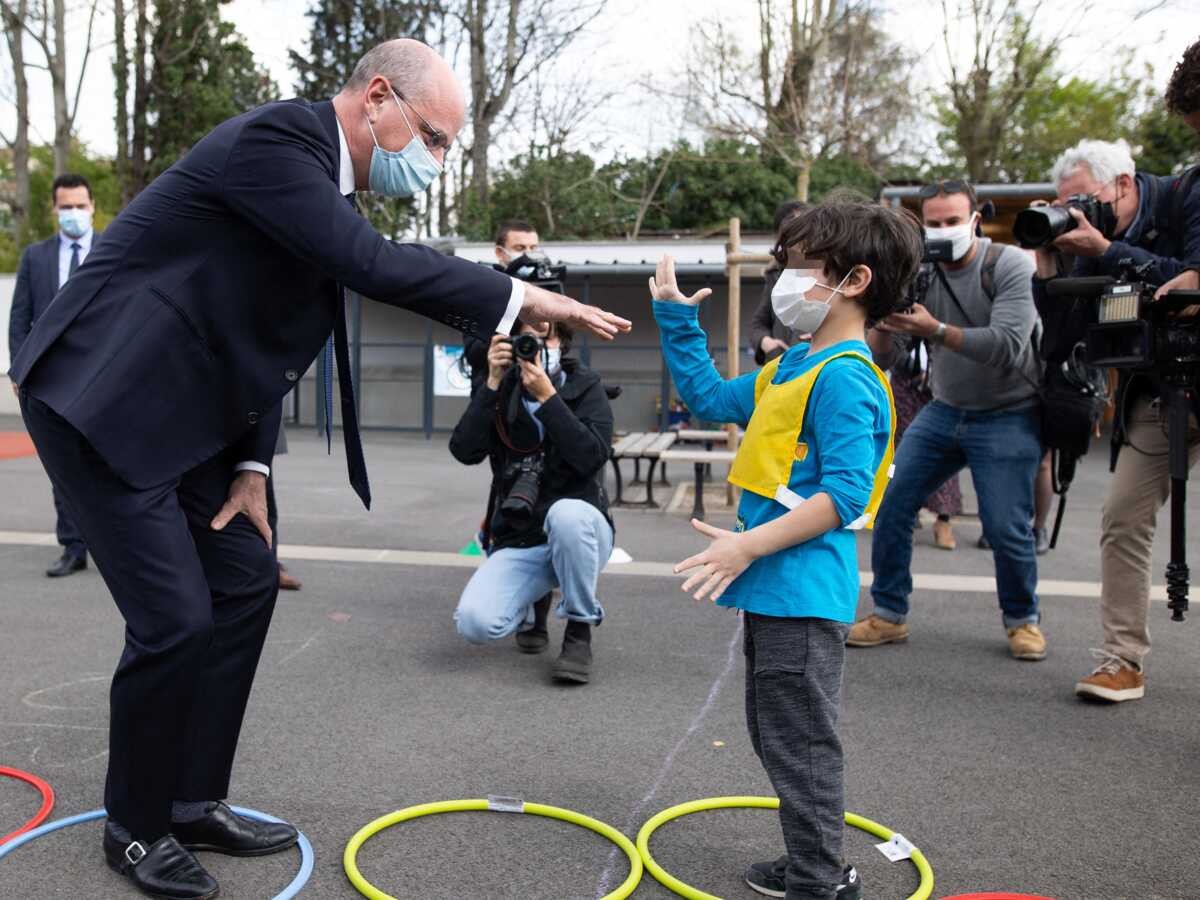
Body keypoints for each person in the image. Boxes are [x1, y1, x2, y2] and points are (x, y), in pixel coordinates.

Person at [9, 38, 629, 900]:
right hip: (100, 404)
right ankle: (137, 826)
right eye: (436, 138)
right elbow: (371, 267)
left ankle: (192, 800)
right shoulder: (277, 145)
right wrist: (519, 294)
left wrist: (253, 467)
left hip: (185, 421)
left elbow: (262, 343)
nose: (438, 162)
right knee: (175, 620)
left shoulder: (317, 193)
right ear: (378, 97)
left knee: (246, 580)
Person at [651, 198, 923, 900]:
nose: (786, 280)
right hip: (777, 590)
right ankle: (815, 862)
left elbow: (847, 495)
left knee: (800, 745)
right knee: (780, 737)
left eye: (801, 267)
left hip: (800, 592)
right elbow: (710, 398)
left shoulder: (847, 377)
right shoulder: (794, 365)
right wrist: (677, 319)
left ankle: (820, 881)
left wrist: (745, 546)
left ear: (853, 280)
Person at [1030, 133, 1200, 702]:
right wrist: (1049, 269)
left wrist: (1108, 251)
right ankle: (1120, 660)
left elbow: (1192, 276)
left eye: (1080, 202)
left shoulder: (1185, 197)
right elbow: (1057, 345)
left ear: (1123, 184)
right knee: (1122, 516)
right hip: (1159, 393)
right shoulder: (1087, 241)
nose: (1071, 217)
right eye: (1062, 207)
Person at [853, 179, 1047, 661]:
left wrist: (934, 329)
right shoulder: (922, 272)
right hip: (945, 409)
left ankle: (1023, 620)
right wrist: (879, 319)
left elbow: (1008, 345)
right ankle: (889, 614)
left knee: (1006, 527)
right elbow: (885, 355)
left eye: (952, 222)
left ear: (975, 220)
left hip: (1008, 412)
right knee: (893, 505)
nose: (942, 232)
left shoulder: (1008, 265)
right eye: (933, 224)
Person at [450, 319, 614, 683]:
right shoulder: (501, 389)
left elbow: (592, 457)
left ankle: (579, 628)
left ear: (564, 342)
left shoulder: (586, 385)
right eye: (526, 337)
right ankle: (533, 601)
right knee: (475, 624)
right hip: (521, 534)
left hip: (582, 530)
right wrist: (491, 382)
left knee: (566, 515)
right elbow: (463, 450)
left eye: (547, 335)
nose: (536, 344)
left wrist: (548, 399)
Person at [7, 174, 99, 578]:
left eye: (80, 206)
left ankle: (118, 545)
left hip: (106, 374)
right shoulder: (36, 257)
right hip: (52, 378)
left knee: (113, 461)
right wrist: (19, 367)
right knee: (62, 466)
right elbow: (19, 318)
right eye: (66, 207)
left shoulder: (119, 248)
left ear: (93, 207)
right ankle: (73, 547)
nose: (74, 214)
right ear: (54, 210)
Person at [748, 200, 808, 364]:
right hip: (780, 368)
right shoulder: (775, 276)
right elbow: (757, 325)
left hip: (815, 367)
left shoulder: (830, 273)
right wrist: (767, 343)